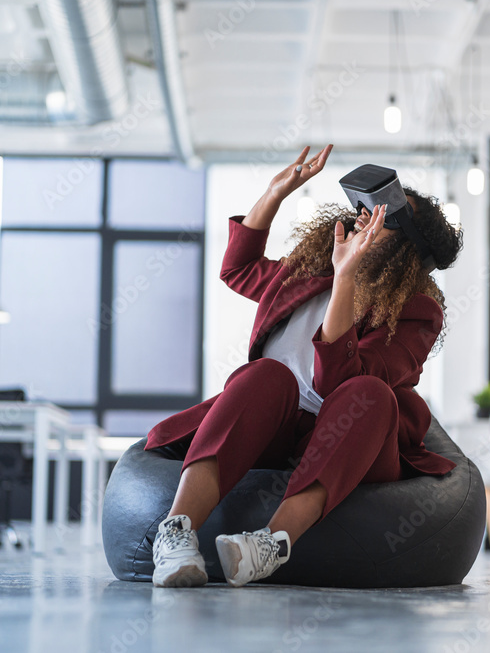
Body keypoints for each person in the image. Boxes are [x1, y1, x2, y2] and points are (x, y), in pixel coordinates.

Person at [143, 144, 463, 588]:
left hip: (351, 439)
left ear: (407, 251)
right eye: (366, 208)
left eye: (386, 216)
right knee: (265, 375)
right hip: (276, 427)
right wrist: (274, 193)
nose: (366, 217)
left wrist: (346, 278)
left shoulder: (417, 312)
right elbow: (238, 269)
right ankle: (175, 534)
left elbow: (341, 383)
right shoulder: (310, 274)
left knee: (370, 393)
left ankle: (269, 545)